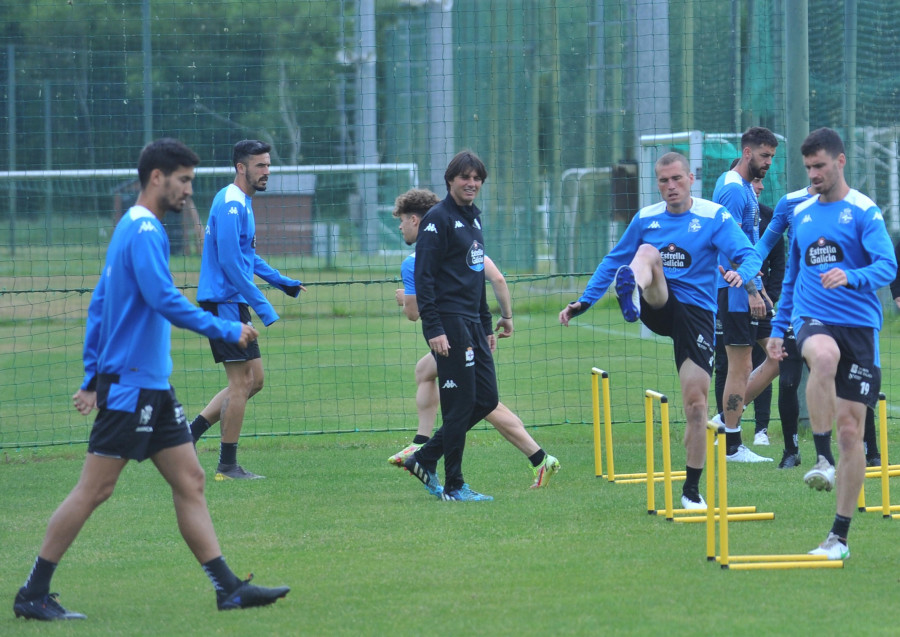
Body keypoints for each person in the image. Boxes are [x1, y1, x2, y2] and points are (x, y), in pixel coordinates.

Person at [13, 139, 289, 622]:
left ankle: (228, 589)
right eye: (183, 180)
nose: (188, 190)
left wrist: (91, 375)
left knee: (192, 480)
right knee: (94, 490)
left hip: (151, 385)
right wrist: (226, 327)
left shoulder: (136, 227)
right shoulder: (143, 230)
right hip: (133, 387)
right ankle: (32, 593)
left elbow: (101, 303)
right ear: (157, 178)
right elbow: (163, 298)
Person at [559, 152, 761, 510]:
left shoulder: (714, 217)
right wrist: (584, 301)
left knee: (697, 406)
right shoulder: (646, 218)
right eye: (663, 181)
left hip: (696, 316)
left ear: (690, 178)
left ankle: (691, 491)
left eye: (676, 179)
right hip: (658, 304)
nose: (670, 186)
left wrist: (740, 275)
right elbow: (612, 259)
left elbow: (749, 254)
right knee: (647, 251)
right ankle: (631, 293)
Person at [767, 127, 897, 560]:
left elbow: (886, 266)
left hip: (860, 330)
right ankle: (820, 460)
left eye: (820, 166)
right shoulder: (801, 214)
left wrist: (852, 276)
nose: (814, 174)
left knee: (852, 435)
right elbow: (790, 279)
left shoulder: (863, 211)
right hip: (813, 318)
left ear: (840, 162)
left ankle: (838, 538)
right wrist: (777, 329)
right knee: (822, 355)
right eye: (808, 168)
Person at [389, 188, 559, 488]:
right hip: (471, 330)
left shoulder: (414, 259)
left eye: (402, 221)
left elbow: (414, 314)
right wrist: (504, 317)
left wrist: (405, 299)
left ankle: (537, 457)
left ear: (416, 220)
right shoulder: (462, 242)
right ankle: (421, 443)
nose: (400, 227)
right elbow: (497, 279)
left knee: (481, 402)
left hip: (452, 333)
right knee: (429, 374)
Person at [188, 140, 306, 480]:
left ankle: (189, 434)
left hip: (232, 299)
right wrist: (264, 306)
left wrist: (282, 282)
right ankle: (227, 465)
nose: (267, 171)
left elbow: (247, 257)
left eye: (268, 165)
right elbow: (228, 262)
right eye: (260, 166)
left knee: (254, 380)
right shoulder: (229, 204)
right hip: (223, 301)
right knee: (241, 383)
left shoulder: (242, 203)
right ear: (241, 167)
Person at [400, 150, 503, 502]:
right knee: (459, 405)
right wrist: (434, 329)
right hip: (449, 323)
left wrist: (487, 323)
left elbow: (475, 278)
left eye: (477, 179)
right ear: (450, 180)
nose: (471, 183)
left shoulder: (473, 220)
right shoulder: (437, 220)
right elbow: (424, 278)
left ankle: (425, 457)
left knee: (486, 399)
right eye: (465, 178)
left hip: (473, 323)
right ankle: (455, 485)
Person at [711, 127, 779, 462]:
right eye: (765, 156)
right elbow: (731, 248)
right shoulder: (734, 190)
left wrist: (762, 290)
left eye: (772, 157)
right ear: (748, 152)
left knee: (780, 353)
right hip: (736, 290)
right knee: (741, 364)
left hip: (751, 288)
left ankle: (723, 420)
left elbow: (750, 246)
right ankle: (732, 444)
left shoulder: (746, 190)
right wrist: (751, 290)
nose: (768, 163)